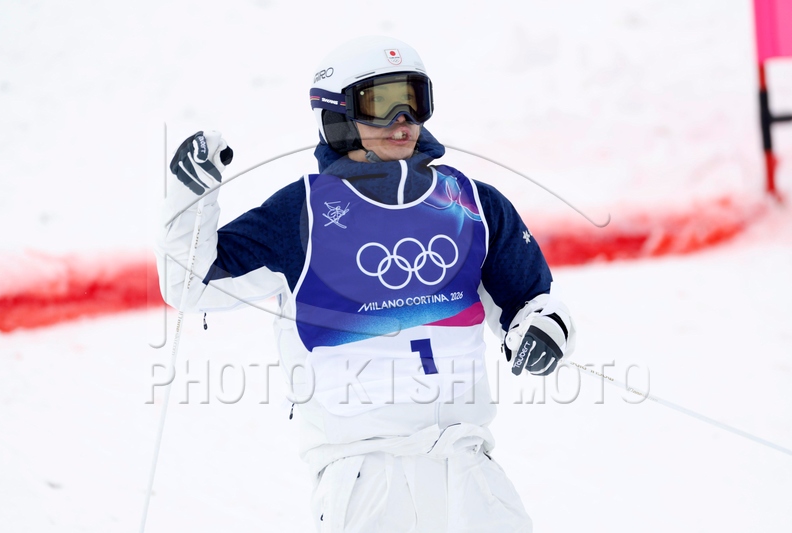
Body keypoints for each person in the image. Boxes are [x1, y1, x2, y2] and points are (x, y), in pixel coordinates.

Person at [156, 35, 576, 533]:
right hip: (365, 480)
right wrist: (191, 200)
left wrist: (545, 329)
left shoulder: (469, 203)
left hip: (468, 471)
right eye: (380, 103)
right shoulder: (302, 213)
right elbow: (191, 285)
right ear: (337, 114)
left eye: (414, 100)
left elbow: (531, 303)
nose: (403, 120)